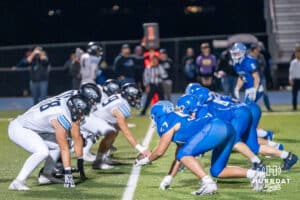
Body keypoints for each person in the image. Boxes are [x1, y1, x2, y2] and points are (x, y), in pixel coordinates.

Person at [136, 101, 265, 195]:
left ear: (159, 115)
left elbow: (159, 151)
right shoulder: (177, 119)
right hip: (226, 128)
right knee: (218, 171)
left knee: (184, 154)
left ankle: (208, 183)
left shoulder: (168, 120)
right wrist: (169, 177)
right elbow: (179, 155)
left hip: (215, 128)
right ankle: (255, 174)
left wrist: (146, 160)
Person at [8, 93, 92, 190]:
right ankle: (18, 182)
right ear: (74, 108)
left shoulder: (66, 102)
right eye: (81, 112)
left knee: (56, 145)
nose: (81, 115)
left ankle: (46, 175)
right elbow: (64, 147)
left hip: (31, 127)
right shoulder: (61, 116)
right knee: (42, 151)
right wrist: (68, 175)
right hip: (20, 128)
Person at [249, 43, 273, 111]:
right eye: (256, 49)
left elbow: (264, 65)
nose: (258, 50)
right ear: (253, 50)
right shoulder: (249, 58)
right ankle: (252, 108)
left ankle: (268, 108)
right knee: (253, 94)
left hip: (261, 77)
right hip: (252, 79)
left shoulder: (261, 56)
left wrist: (259, 70)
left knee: (265, 93)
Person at [289, 46, 300, 111]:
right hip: (295, 80)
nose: (298, 54)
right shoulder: (293, 62)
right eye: (297, 53)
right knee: (294, 95)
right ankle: (294, 107)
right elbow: (291, 71)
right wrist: (290, 79)